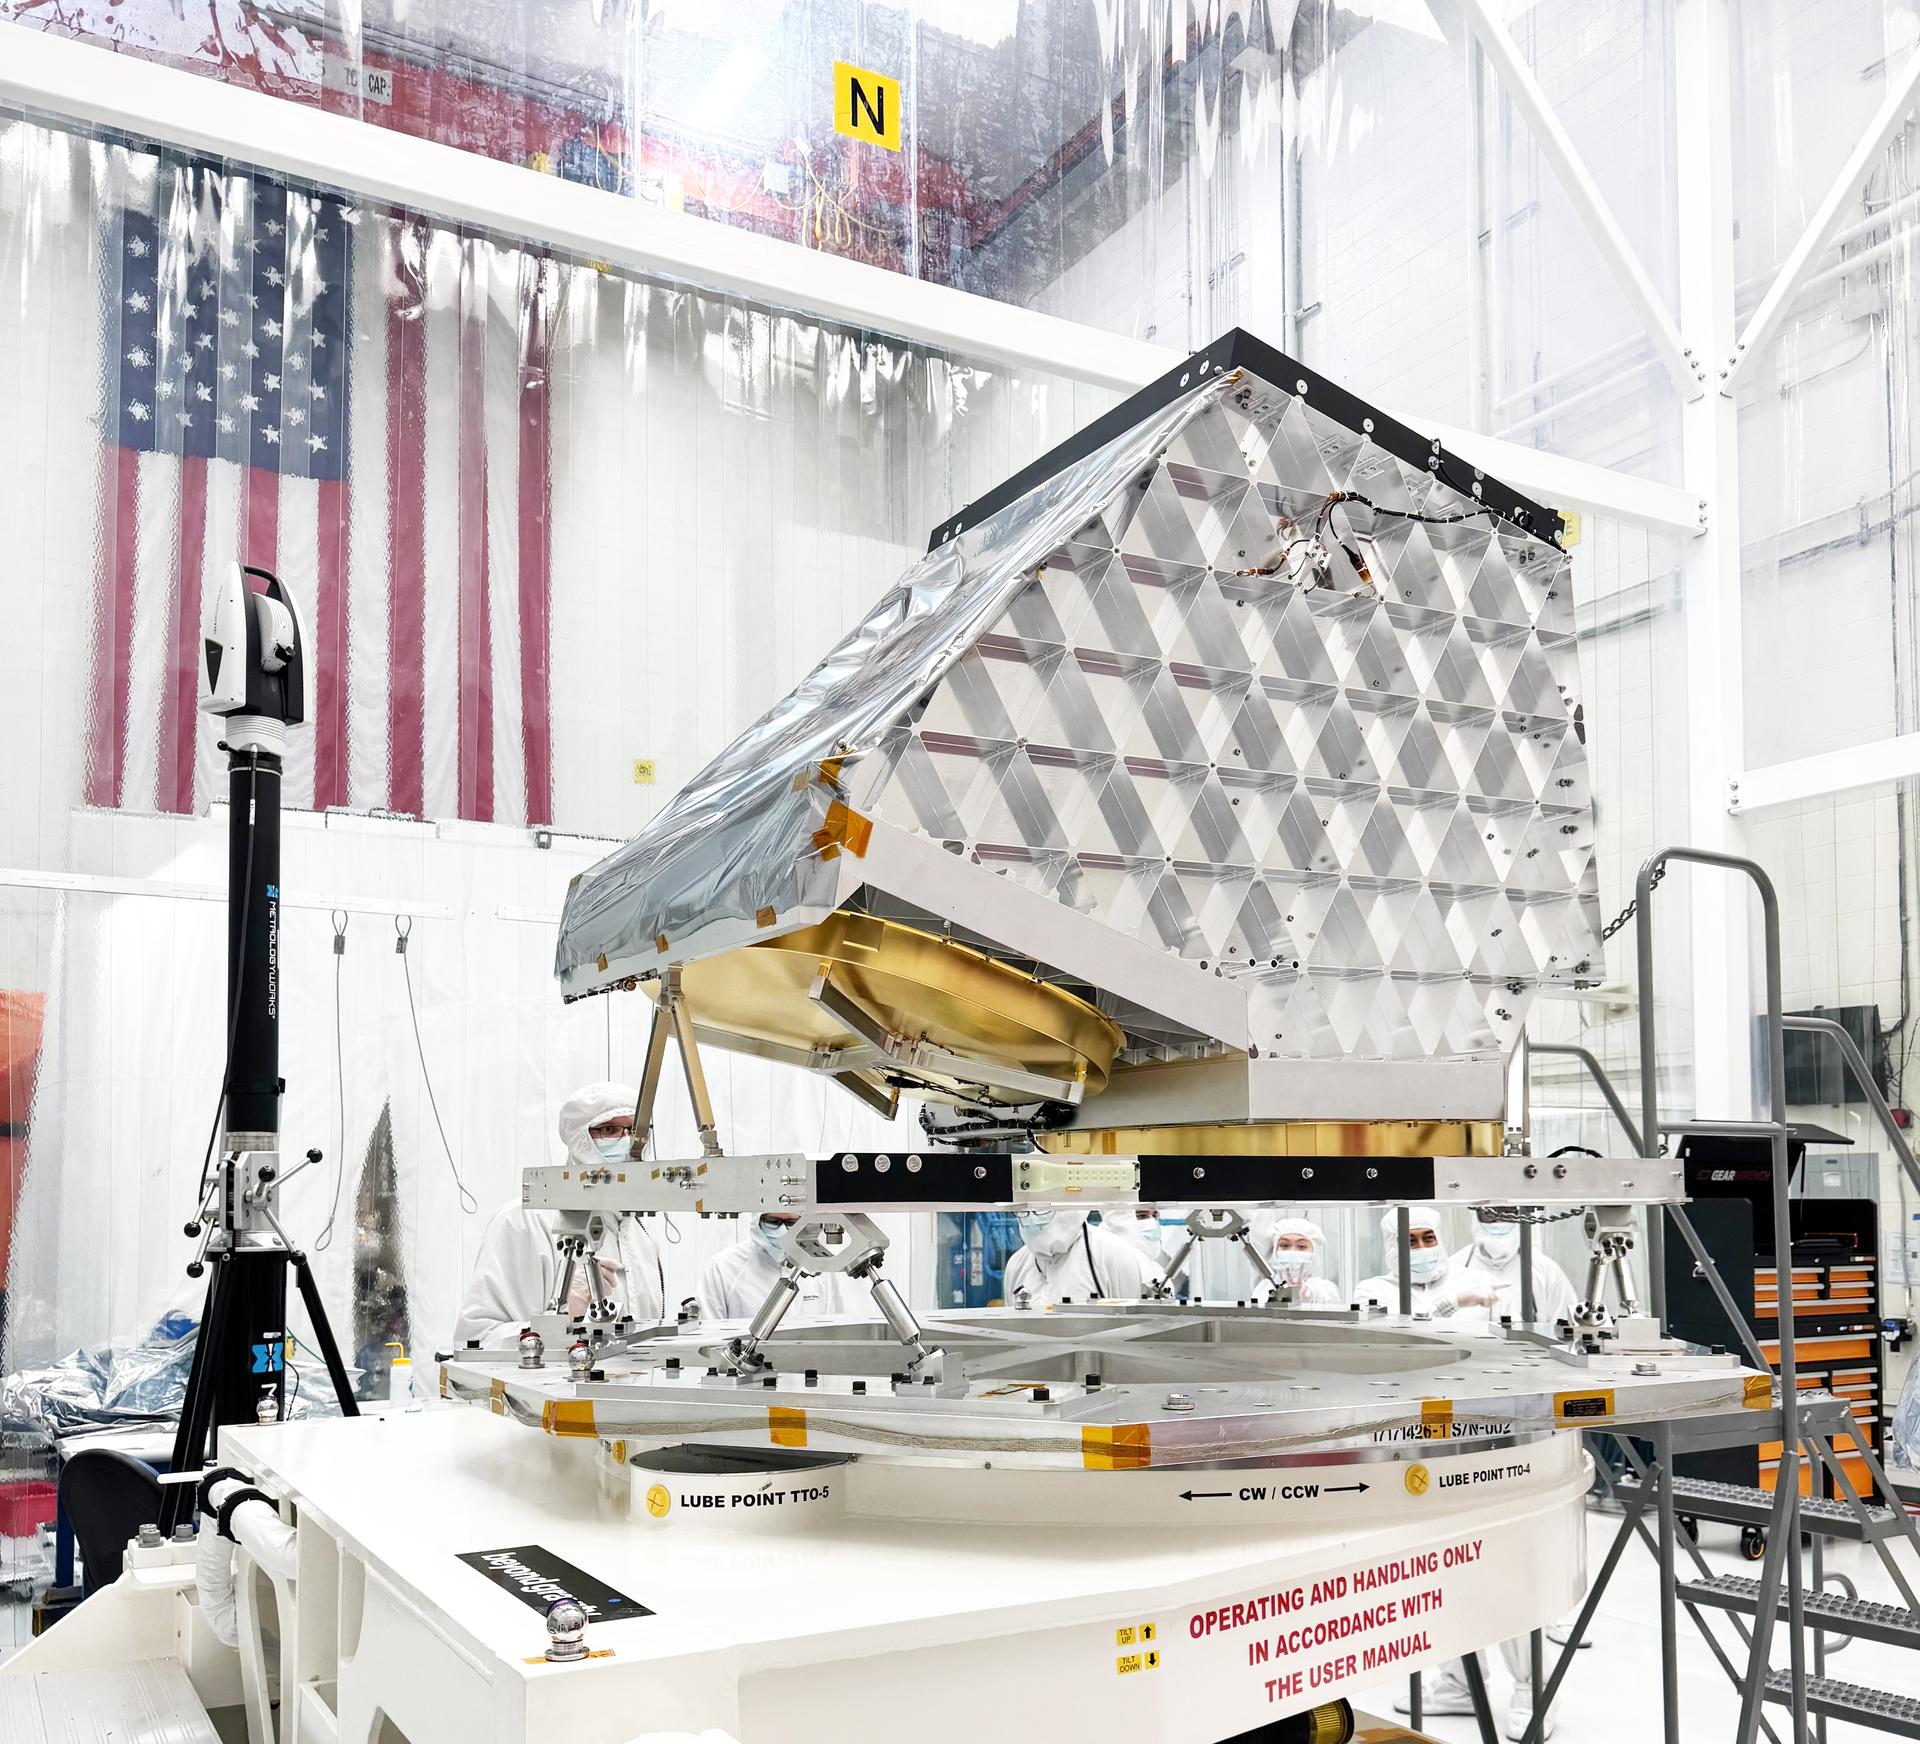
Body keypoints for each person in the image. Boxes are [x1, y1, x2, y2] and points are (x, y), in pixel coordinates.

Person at [452, 1082, 664, 1348]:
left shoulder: (639, 1232)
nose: (626, 1141)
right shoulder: (526, 1221)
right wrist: (561, 1317)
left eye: (634, 1131)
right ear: (579, 1139)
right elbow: (477, 1339)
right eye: (609, 1130)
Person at [699, 1213, 859, 1320]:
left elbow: (831, 1326)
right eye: (772, 1221)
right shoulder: (723, 1267)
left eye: (792, 1223)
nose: (782, 1230)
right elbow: (710, 1333)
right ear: (757, 1220)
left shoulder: (819, 1266)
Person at [1002, 1207, 1160, 1306]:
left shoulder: (1114, 1254)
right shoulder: (1016, 1264)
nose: (1032, 1218)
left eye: (1042, 1209)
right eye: (1023, 1209)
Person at [1450, 1211, 1580, 1328]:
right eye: (1489, 1214)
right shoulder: (1454, 1267)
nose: (1498, 1222)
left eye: (1507, 1212)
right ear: (1476, 1217)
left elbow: (1568, 1328)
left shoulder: (1547, 1271)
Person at [1354, 1206, 1488, 1315]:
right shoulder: (1373, 1290)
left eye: (1428, 1238)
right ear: (1392, 1248)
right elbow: (1394, 1334)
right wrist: (1452, 1303)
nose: (1421, 1247)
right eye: (1410, 1241)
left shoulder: (1478, 1281)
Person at [1261, 1216, 1343, 1306]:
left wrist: (1307, 1295)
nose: (1292, 1251)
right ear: (1274, 1250)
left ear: (1314, 1253)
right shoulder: (1264, 1287)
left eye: (1301, 1246)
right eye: (1284, 1245)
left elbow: (1325, 1300)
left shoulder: (1325, 1290)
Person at [1099, 1204, 1169, 1271]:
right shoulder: (1100, 1270)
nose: (1152, 1222)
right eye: (1142, 1216)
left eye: (1155, 1215)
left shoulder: (1158, 1271)